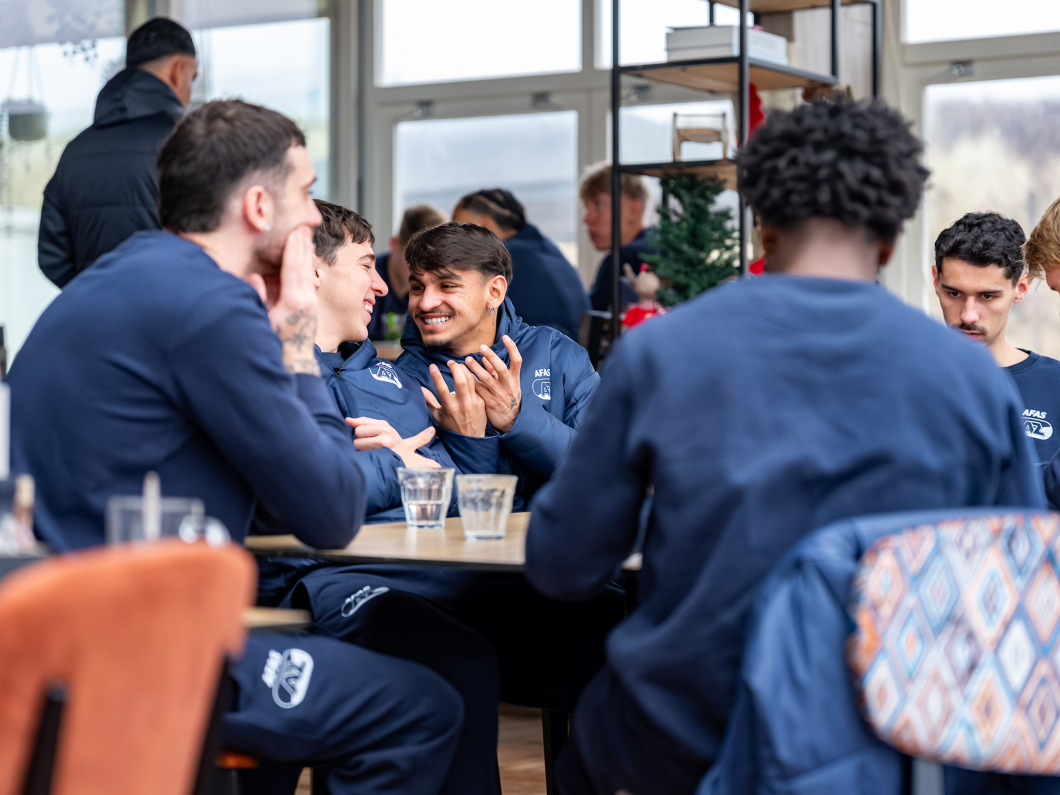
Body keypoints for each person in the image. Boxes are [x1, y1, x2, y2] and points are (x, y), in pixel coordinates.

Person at [525, 96, 1045, 795]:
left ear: (763, 225)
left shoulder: (661, 352)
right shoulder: (973, 381)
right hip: (892, 743)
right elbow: (1013, 595)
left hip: (685, 736)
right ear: (892, 241)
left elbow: (562, 564)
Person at [8, 99, 486, 795]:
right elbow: (329, 512)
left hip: (45, 635)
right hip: (129, 649)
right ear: (260, 206)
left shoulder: (114, 281)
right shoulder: (212, 306)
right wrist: (294, 334)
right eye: (306, 192)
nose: (314, 216)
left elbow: (265, 498)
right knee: (420, 707)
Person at [394, 221, 599, 506]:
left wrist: (516, 417)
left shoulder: (559, 354)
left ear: (494, 292)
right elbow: (432, 503)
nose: (426, 303)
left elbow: (600, 470)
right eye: (417, 287)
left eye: (447, 285)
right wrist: (468, 439)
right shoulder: (399, 381)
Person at [38, 17, 198, 288]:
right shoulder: (188, 142)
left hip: (94, 312)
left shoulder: (75, 151)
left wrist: (94, 295)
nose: (190, 93)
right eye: (192, 78)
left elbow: (53, 257)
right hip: (178, 310)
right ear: (178, 70)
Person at [933, 212, 1060, 465]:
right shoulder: (901, 381)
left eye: (987, 296)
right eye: (954, 293)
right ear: (936, 281)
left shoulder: (1056, 385)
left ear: (1020, 289)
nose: (968, 315)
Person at [453, 188, 589, 339]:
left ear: (486, 226)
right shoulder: (544, 247)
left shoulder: (501, 260)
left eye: (461, 229)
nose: (454, 239)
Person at [580, 162, 654, 313]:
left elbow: (590, 326)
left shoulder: (620, 260)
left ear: (634, 209)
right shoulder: (665, 247)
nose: (586, 219)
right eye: (586, 207)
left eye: (598, 205)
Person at [366, 204, 448, 341]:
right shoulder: (367, 280)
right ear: (394, 244)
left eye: (438, 262)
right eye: (417, 258)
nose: (428, 270)